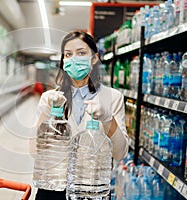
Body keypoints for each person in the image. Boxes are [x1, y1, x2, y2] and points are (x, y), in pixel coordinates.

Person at [32, 30, 129, 199]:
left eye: (81, 53)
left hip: (91, 191)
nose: (74, 59)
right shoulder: (49, 98)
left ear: (94, 58)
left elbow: (119, 153)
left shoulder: (112, 98)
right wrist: (48, 112)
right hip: (52, 189)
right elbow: (34, 150)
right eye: (68, 55)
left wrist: (107, 119)